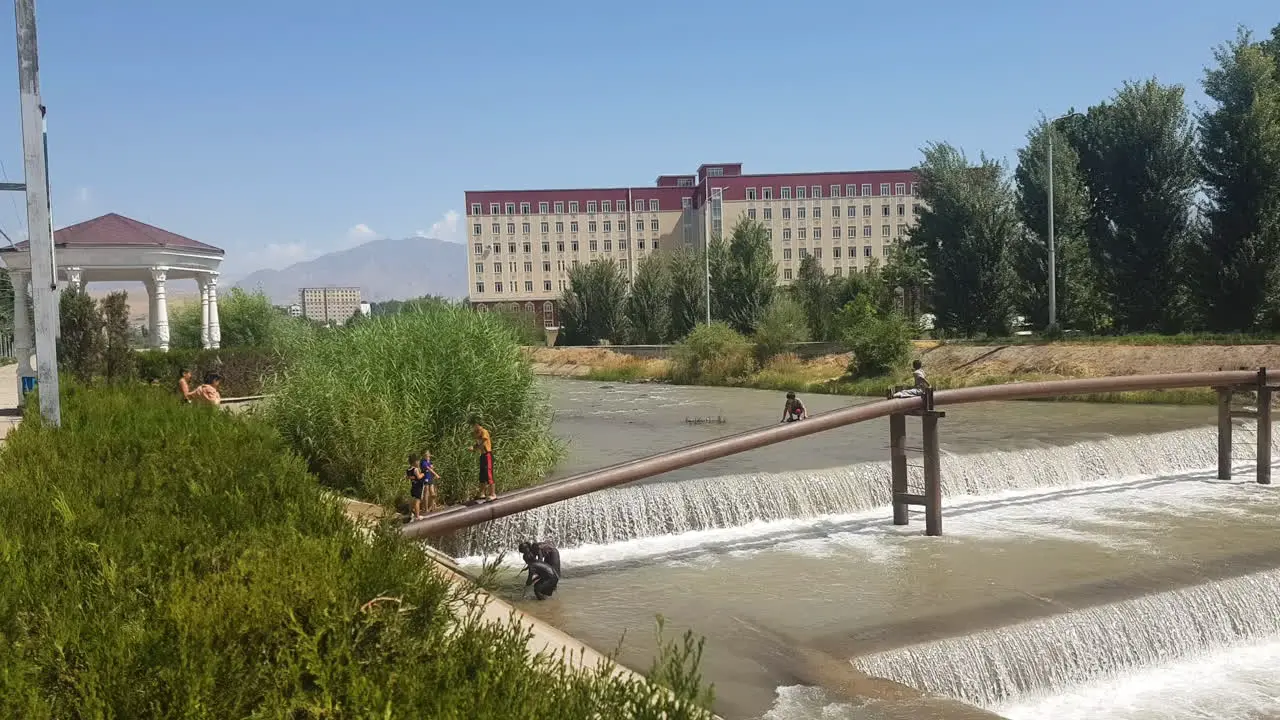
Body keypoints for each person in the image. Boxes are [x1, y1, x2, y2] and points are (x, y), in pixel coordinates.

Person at [471, 416, 497, 502]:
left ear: (478, 425)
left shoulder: (484, 432)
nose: (474, 427)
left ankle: (493, 494)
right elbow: (477, 444)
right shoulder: (476, 433)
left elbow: (483, 443)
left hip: (487, 455)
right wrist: (474, 447)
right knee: (482, 475)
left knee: (489, 474)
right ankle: (482, 493)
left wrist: (476, 448)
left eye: (474, 425)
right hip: (482, 455)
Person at [407, 455, 428, 521]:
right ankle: (417, 516)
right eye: (418, 461)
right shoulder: (415, 469)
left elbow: (409, 477)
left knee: (413, 500)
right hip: (418, 487)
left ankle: (411, 513)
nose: (419, 462)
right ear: (414, 462)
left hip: (413, 486)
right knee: (417, 501)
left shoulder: (408, 470)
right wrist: (423, 474)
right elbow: (419, 477)